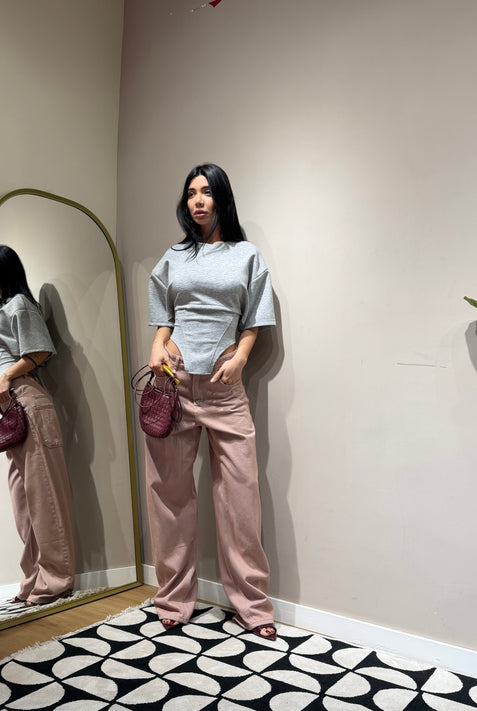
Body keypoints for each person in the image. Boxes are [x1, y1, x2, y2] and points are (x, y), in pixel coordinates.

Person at [146, 163, 277, 639]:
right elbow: (164, 313)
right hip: (174, 379)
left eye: (206, 192)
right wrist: (157, 345)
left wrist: (241, 358)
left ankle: (253, 607)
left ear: (222, 197)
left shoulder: (247, 255)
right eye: (190, 193)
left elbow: (255, 318)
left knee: (240, 497)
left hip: (224, 383)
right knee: (169, 494)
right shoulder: (175, 256)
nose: (197, 201)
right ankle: (173, 600)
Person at [0, 245, 74, 607]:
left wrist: (6, 376)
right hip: (12, 409)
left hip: (27, 402)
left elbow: (40, 351)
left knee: (44, 497)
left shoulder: (19, 305)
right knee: (23, 503)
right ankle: (33, 580)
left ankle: (56, 580)